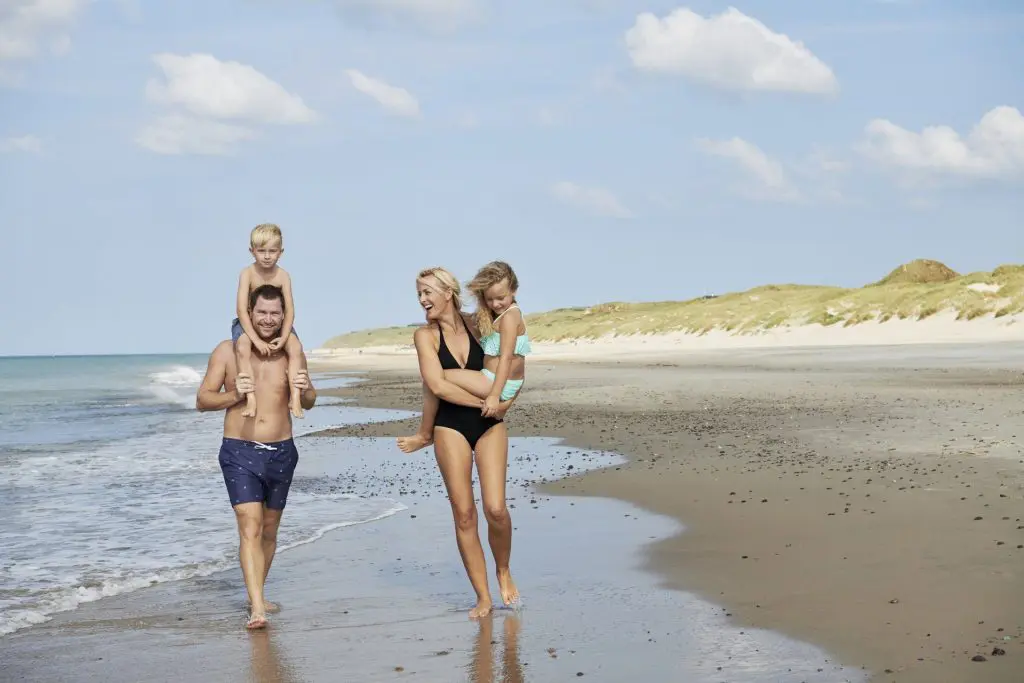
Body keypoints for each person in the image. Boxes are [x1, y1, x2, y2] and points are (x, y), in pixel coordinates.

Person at [396, 267, 521, 618]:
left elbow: (511, 363)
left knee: (495, 508)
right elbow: (437, 386)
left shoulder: (480, 323)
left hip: (491, 425)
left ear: (447, 291)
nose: (422, 300)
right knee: (464, 514)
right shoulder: (425, 336)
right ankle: (483, 597)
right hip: (450, 425)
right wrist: (485, 404)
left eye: (427, 292)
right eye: (419, 294)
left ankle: (503, 569)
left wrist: (506, 400)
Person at [197, 283, 318, 630]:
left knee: (268, 530)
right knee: (249, 526)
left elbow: (308, 400)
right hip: (239, 451)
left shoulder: (291, 351)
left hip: (282, 451)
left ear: (284, 316)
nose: (267, 320)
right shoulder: (226, 352)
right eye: (261, 313)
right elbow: (202, 399)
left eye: (274, 313)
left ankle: (257, 594)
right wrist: (235, 394)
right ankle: (257, 608)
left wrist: (306, 387)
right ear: (248, 314)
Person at [233, 223, 305, 419]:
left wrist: (283, 338)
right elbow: (241, 309)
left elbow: (289, 309)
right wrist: (255, 340)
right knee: (242, 347)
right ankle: (251, 398)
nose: (266, 256)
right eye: (261, 251)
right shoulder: (247, 273)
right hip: (248, 321)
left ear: (280, 252)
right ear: (252, 251)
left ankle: (296, 398)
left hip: (279, 323)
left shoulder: (283, 276)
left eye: (272, 251)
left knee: (296, 348)